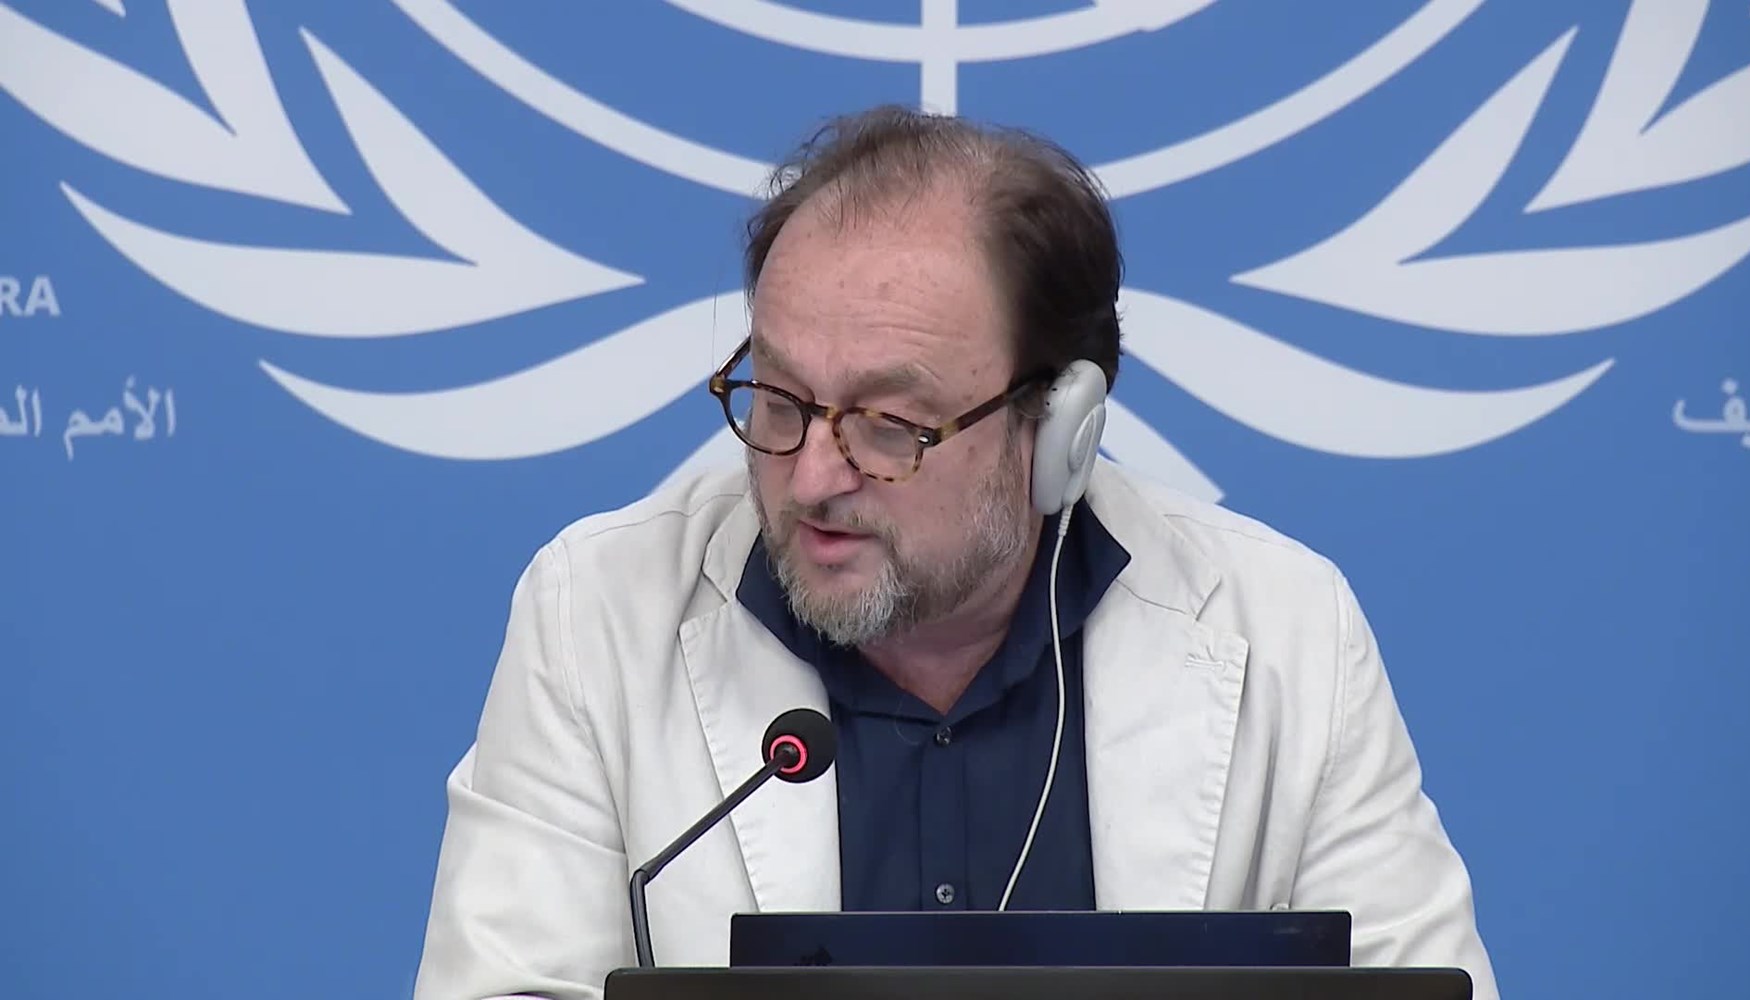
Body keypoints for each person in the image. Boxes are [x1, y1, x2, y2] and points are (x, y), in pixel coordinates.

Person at [413, 105, 1497, 1000]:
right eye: (779, 398)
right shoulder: (597, 614)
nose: (813, 476)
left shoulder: (1286, 632)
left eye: (890, 424)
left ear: (1057, 429)